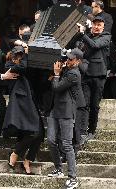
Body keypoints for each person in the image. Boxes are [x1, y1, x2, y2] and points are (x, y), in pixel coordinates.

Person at [3, 46, 44, 175]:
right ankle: (15, 154)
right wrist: (25, 55)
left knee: (40, 133)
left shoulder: (24, 63)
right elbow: (21, 68)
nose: (21, 57)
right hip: (20, 104)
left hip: (30, 102)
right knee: (33, 132)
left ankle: (28, 159)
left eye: (22, 55)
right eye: (19, 55)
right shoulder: (10, 65)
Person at [47, 49, 81, 189]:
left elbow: (56, 87)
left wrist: (56, 74)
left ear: (78, 61)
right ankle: (58, 169)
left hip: (66, 112)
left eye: (71, 59)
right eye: (68, 58)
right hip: (56, 110)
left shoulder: (74, 74)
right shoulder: (67, 69)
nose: (68, 61)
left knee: (67, 144)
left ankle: (73, 178)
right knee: (51, 140)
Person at [76, 16, 111, 141]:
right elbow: (80, 51)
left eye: (99, 25)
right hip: (86, 74)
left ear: (103, 26)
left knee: (94, 105)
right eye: (95, 24)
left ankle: (92, 130)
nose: (96, 27)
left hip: (99, 75)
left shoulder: (106, 36)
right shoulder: (87, 37)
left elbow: (95, 46)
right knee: (84, 103)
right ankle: (82, 130)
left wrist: (83, 34)